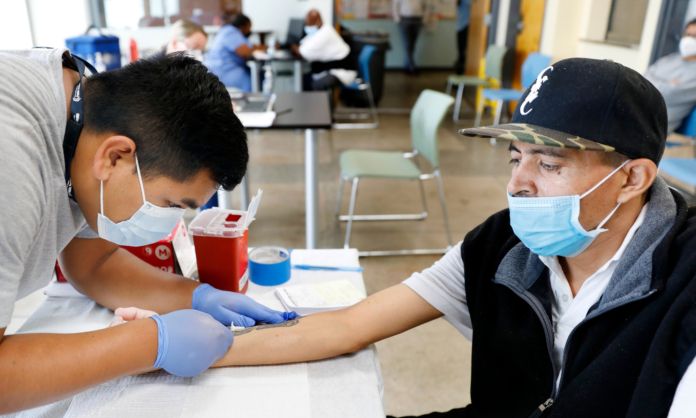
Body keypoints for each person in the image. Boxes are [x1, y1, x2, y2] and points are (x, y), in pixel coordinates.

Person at [205, 59, 696, 417]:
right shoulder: (502, 246)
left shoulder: (685, 287)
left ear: (633, 178)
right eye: (515, 157)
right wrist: (181, 347)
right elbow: (349, 326)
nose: (518, 184)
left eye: (548, 164)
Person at [0, 50, 294, 414]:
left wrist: (198, 297)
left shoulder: (85, 117)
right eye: (171, 204)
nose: (171, 223)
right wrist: (148, 344)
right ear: (115, 157)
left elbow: (93, 263)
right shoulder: (11, 161)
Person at [645, 18, 696, 133]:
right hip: (633, 113)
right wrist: (667, 84)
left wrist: (654, 81)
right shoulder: (669, 59)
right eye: (687, 34)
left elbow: (668, 94)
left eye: (694, 37)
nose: (689, 40)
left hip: (654, 128)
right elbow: (642, 79)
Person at [289, 9, 357, 91]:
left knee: (312, 85)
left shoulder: (325, 33)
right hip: (328, 69)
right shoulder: (319, 31)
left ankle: (317, 103)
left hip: (342, 72)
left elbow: (302, 52)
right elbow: (303, 44)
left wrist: (294, 47)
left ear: (317, 21)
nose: (307, 27)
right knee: (303, 80)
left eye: (309, 24)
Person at [205, 13, 265, 92]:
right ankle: (252, 102)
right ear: (244, 25)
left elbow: (250, 46)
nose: (250, 30)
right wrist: (255, 49)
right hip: (224, 70)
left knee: (258, 76)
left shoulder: (233, 33)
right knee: (251, 83)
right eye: (249, 26)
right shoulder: (230, 32)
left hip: (228, 68)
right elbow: (245, 52)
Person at [393, 0, 429, 74]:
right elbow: (395, 6)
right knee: (408, 44)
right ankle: (412, 67)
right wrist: (398, 20)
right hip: (404, 20)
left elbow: (426, 7)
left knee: (412, 45)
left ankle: (407, 66)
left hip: (418, 20)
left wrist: (424, 20)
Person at [454, 0, 471, 74]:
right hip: (460, 27)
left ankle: (460, 75)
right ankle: (459, 75)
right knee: (461, 52)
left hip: (465, 26)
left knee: (463, 53)